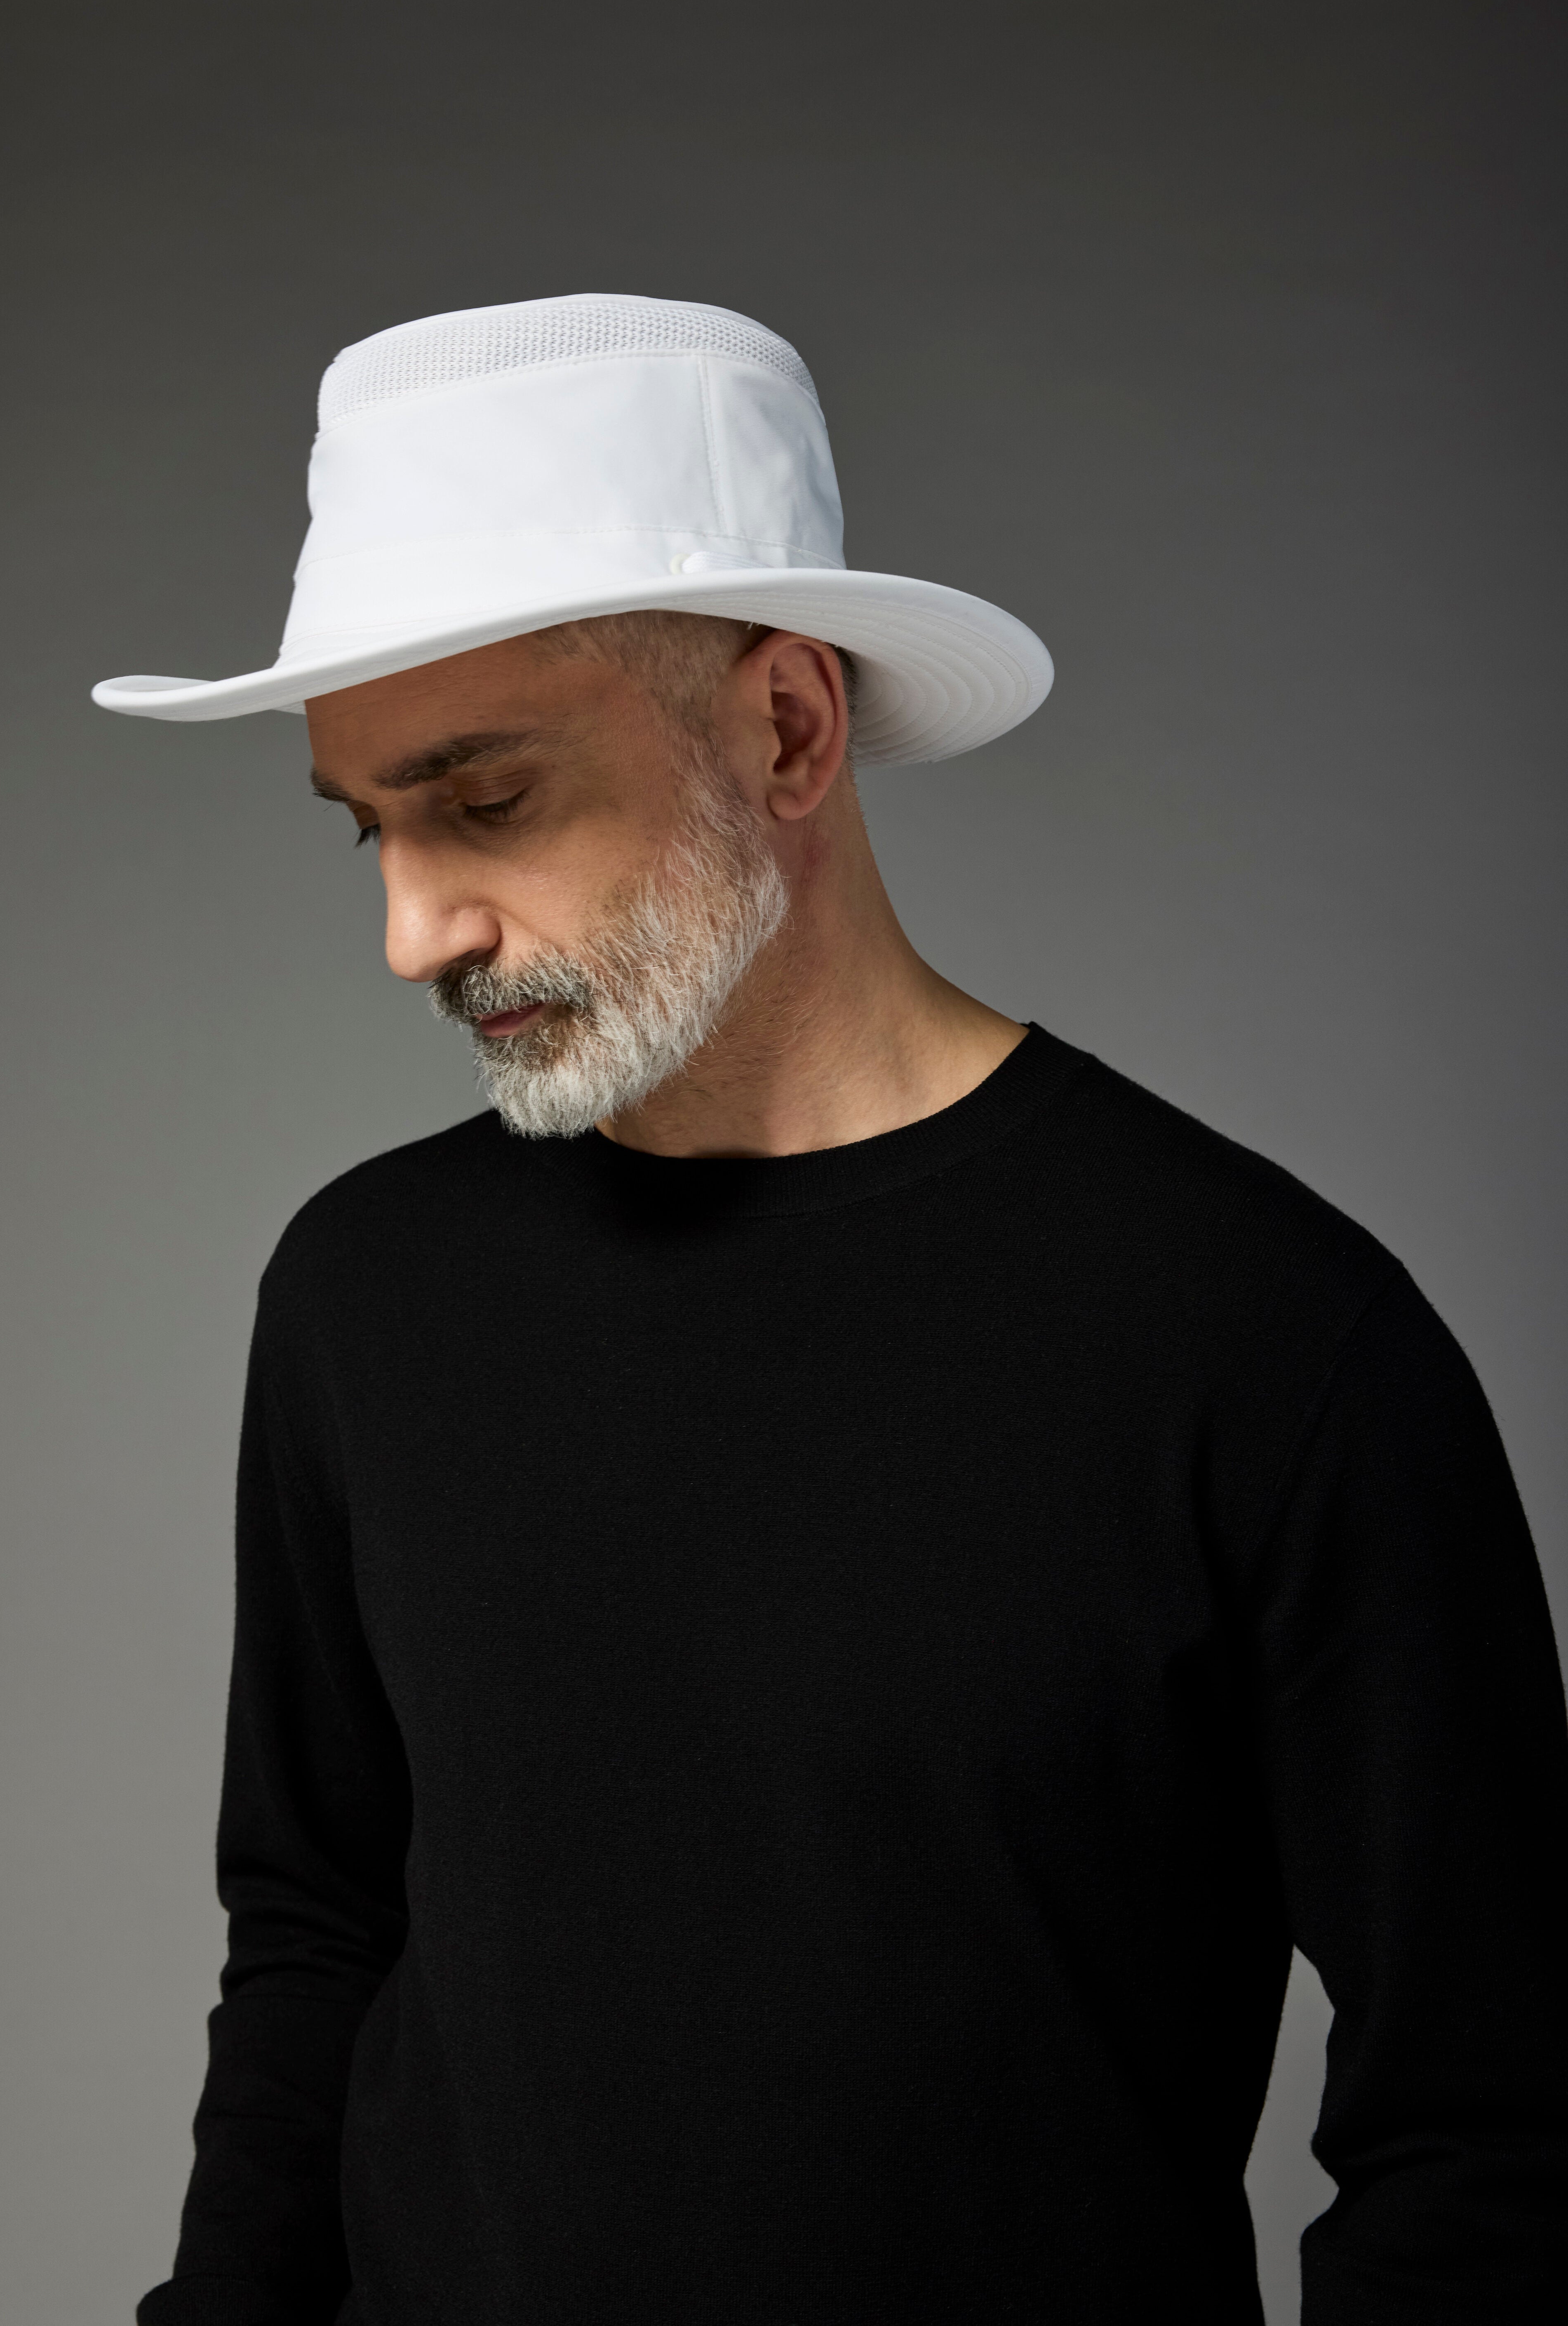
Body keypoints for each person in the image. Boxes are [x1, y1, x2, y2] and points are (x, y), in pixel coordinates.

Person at [97, 295, 1568, 2324]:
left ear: (783, 729)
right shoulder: (366, 1295)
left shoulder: (1262, 1337)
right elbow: (315, 1943)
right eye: (370, 826)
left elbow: (1494, 2128)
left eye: (486, 802)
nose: (411, 931)